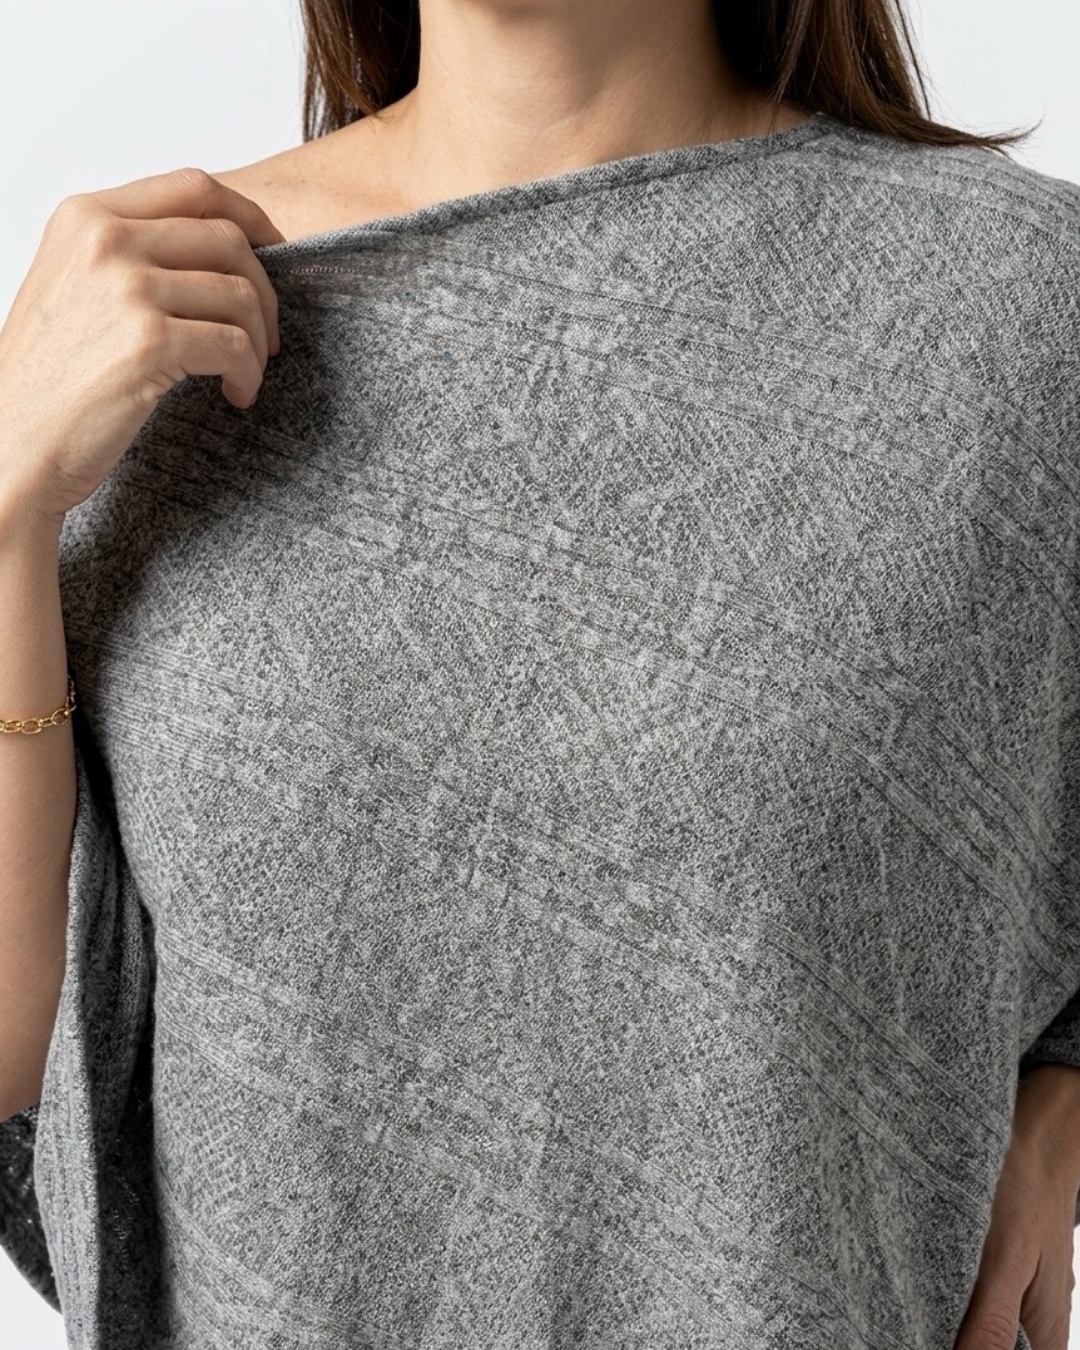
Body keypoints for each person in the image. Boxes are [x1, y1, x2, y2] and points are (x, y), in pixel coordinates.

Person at [0, 2, 1077, 1348]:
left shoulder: (1015, 315)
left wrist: (1059, 1105)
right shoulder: (143, 317)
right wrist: (2, 503)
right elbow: (16, 1058)